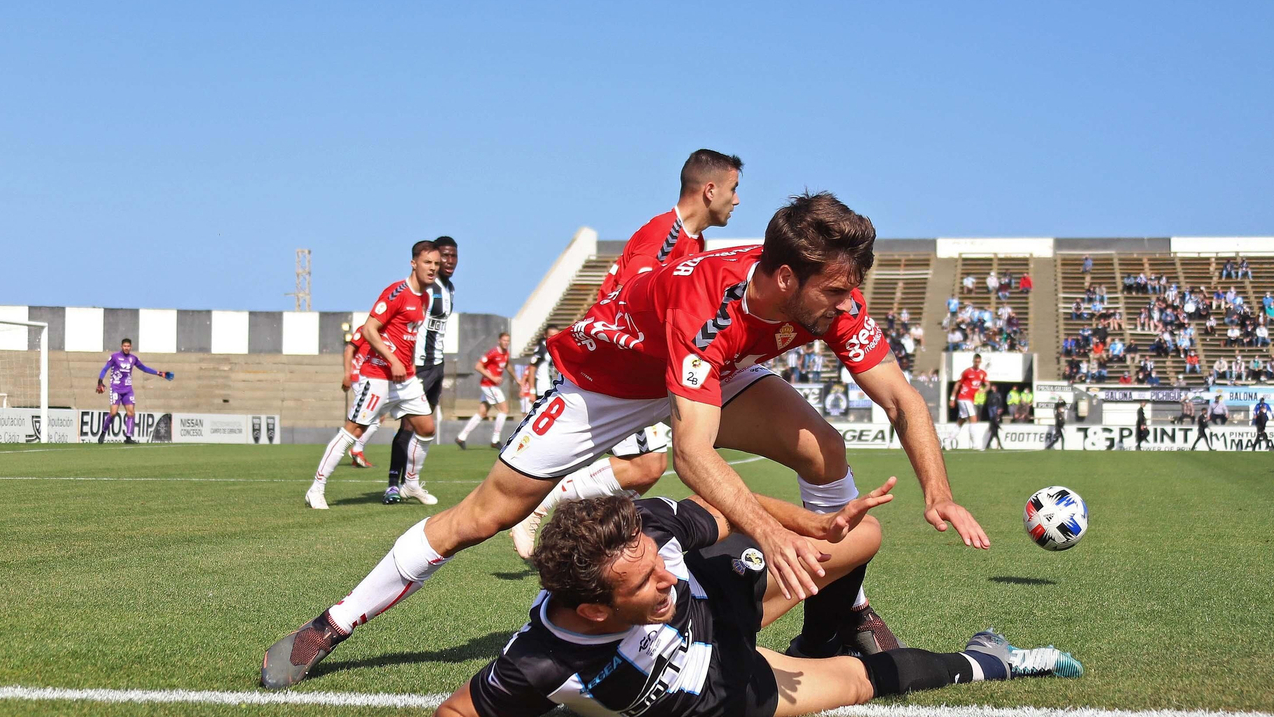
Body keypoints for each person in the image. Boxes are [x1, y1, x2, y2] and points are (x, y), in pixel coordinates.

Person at [264, 193, 990, 688]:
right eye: (833, 291)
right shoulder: (709, 300)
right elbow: (691, 455)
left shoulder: (830, 295)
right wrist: (771, 533)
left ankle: (835, 618)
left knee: (824, 451)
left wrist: (940, 492)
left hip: (709, 374)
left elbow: (899, 395)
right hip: (603, 383)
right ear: (781, 276)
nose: (846, 305)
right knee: (483, 519)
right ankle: (331, 625)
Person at [431, 491, 1080, 717]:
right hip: (715, 689)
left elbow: (728, 508)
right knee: (856, 683)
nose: (665, 578)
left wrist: (807, 526)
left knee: (864, 535)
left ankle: (832, 626)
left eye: (660, 562)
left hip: (722, 602)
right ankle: (992, 657)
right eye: (646, 583)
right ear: (595, 609)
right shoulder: (544, 660)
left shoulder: (651, 535)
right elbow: (455, 716)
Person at [511, 151, 743, 557]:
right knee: (648, 467)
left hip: (647, 371)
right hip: (616, 365)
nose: (737, 200)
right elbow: (637, 296)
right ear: (710, 190)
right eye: (734, 189)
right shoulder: (664, 234)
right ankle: (538, 508)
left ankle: (580, 530)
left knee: (647, 470)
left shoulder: (696, 240)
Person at [305, 242, 440, 510]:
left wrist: (404, 363)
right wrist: (392, 360)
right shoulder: (396, 293)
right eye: (427, 262)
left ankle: (410, 484)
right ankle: (316, 488)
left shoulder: (426, 297)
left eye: (436, 264)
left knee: (426, 428)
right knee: (354, 430)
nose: (433, 268)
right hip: (378, 375)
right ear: (414, 263)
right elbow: (369, 330)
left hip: (405, 379)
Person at [385, 236, 457, 506]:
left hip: (437, 366)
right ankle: (393, 484)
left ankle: (410, 483)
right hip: (417, 365)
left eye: (453, 257)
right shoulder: (425, 288)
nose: (449, 262)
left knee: (424, 428)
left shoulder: (449, 289)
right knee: (407, 425)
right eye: (444, 257)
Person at [94, 338, 172, 443]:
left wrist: (159, 373)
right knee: (113, 413)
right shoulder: (115, 357)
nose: (126, 348)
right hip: (116, 389)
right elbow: (105, 369)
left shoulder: (133, 358)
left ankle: (128, 437)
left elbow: (144, 368)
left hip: (128, 390)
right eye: (124, 346)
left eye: (128, 346)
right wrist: (100, 381)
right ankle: (103, 432)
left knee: (131, 413)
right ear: (121, 346)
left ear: (131, 347)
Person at [456, 332, 513, 448]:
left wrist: (517, 379)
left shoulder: (506, 353)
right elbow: (478, 366)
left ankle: (461, 437)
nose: (506, 343)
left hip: (492, 386)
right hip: (488, 385)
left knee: (482, 413)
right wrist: (493, 377)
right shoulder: (493, 352)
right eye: (504, 340)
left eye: (508, 341)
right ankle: (495, 439)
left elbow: (507, 365)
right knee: (504, 410)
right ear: (499, 341)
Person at [341, 332, 380, 467]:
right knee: (373, 419)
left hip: (373, 377)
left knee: (374, 418)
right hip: (361, 378)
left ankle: (356, 452)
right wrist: (348, 375)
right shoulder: (366, 329)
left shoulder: (387, 330)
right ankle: (356, 450)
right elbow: (349, 350)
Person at [948, 353, 986, 449]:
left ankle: (948, 441)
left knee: (962, 420)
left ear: (980, 362)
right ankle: (975, 445)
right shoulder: (967, 372)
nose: (977, 363)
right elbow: (957, 384)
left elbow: (988, 384)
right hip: (964, 398)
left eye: (978, 361)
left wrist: (984, 390)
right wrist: (952, 398)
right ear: (973, 361)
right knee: (973, 419)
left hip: (970, 399)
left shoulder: (982, 373)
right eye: (975, 361)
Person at [981, 384, 1006, 450]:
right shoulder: (990, 394)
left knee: (993, 435)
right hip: (991, 406)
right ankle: (996, 446)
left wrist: (999, 407)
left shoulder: (998, 394)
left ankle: (988, 445)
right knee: (993, 418)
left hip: (995, 406)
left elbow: (1000, 401)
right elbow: (988, 400)